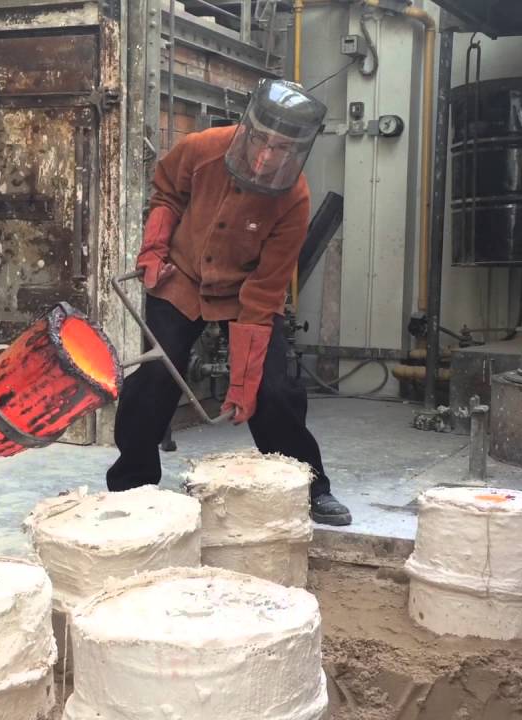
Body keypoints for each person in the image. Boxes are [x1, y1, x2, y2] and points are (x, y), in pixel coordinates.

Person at [106, 79, 353, 527]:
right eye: (259, 140)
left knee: (273, 389)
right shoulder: (201, 149)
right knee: (158, 374)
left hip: (243, 294)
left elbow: (265, 291)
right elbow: (166, 194)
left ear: (299, 150)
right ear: (246, 127)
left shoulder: (294, 198)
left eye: (280, 148)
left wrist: (244, 382)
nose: (264, 158)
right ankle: (131, 483)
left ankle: (312, 485)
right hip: (181, 278)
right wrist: (154, 250)